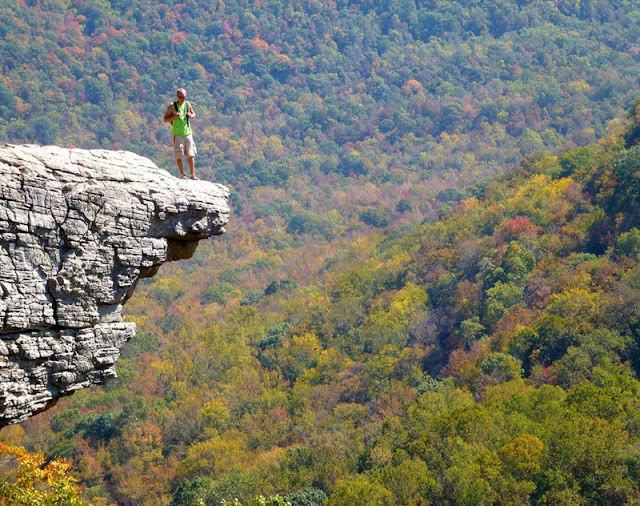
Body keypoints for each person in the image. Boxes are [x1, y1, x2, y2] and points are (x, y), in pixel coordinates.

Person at [164, 88, 198, 179]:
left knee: (191, 154)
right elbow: (165, 119)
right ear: (177, 96)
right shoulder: (172, 107)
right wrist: (174, 117)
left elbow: (194, 114)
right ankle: (183, 174)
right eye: (181, 97)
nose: (182, 99)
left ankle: (192, 174)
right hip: (177, 134)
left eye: (184, 97)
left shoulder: (187, 104)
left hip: (188, 133)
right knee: (179, 155)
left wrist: (191, 116)